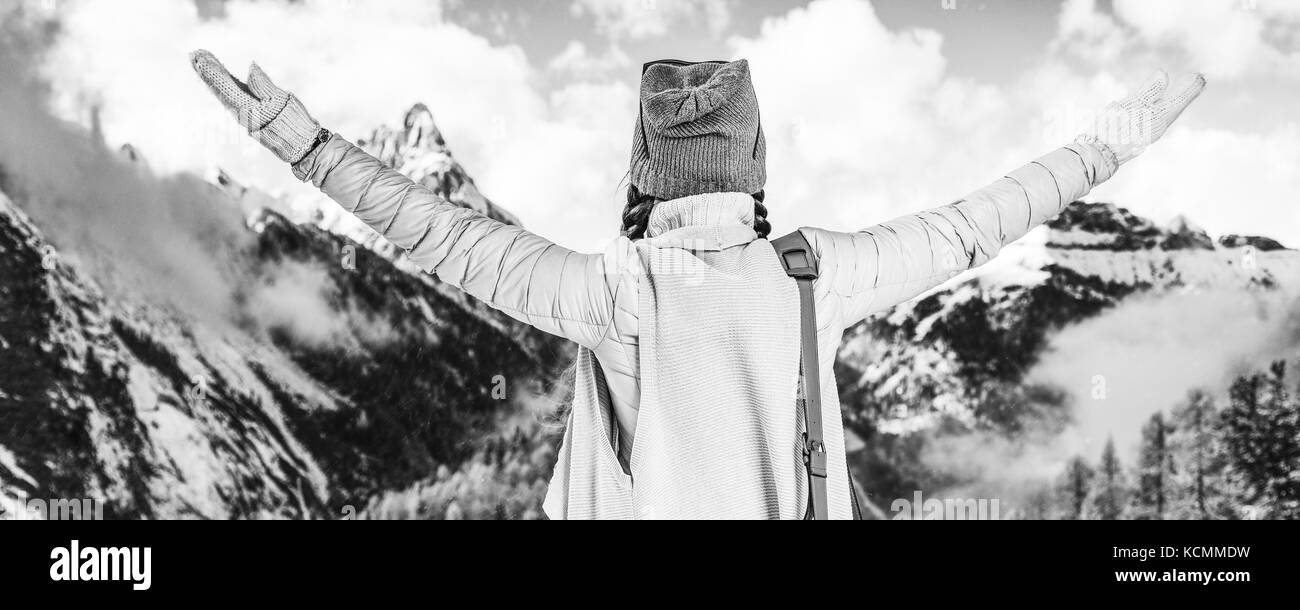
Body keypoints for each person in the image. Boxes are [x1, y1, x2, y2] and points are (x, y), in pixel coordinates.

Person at [190, 51, 1205, 520]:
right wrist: (1124, 133)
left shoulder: (611, 289)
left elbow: (431, 231)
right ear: (753, 168)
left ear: (642, 173)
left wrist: (299, 140)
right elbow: (991, 215)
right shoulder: (815, 272)